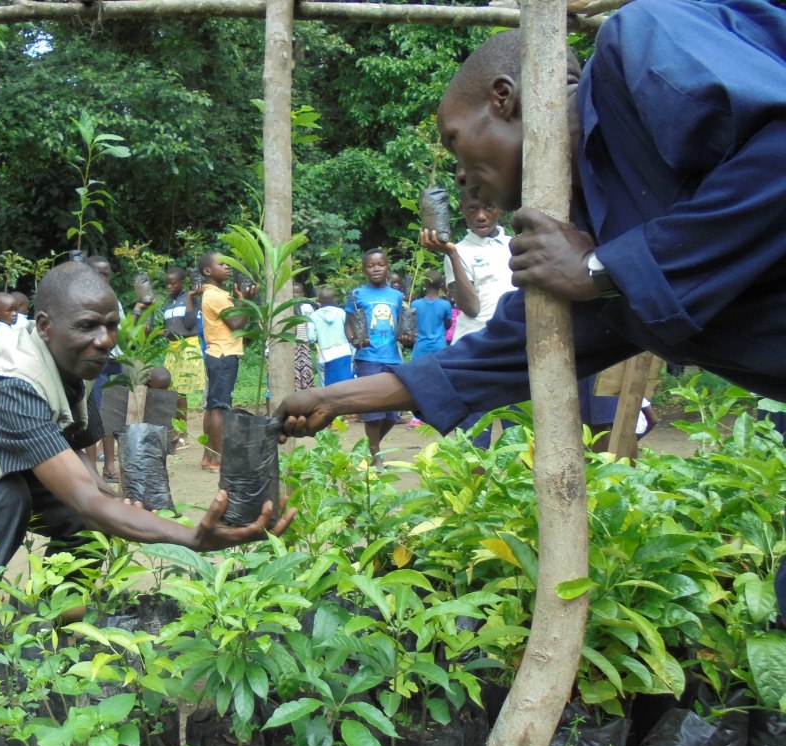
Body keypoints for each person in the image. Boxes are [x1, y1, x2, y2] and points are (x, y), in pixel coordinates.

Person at [276, 0, 786, 620]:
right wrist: (336, 399)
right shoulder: (589, 228)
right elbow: (504, 353)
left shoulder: (643, 42)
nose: (459, 175)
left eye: (454, 141)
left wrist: (602, 269)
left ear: (503, 97)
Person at [0, 262, 290, 578]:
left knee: (90, 521)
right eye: (87, 326)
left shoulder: (72, 367)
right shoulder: (8, 384)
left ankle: (57, 617)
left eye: (111, 325)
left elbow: (81, 463)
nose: (104, 341)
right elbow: (85, 497)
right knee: (8, 497)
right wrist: (191, 537)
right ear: (45, 325)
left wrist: (109, 500)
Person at [421, 190, 513, 447]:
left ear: (500, 208)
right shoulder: (459, 251)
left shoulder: (514, 246)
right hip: (476, 353)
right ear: (461, 210)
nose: (481, 216)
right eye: (472, 209)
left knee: (520, 434)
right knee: (475, 440)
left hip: (514, 349)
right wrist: (452, 255)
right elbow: (470, 308)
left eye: (489, 207)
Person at [344, 249, 404, 462]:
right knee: (373, 411)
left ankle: (373, 447)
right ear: (364, 270)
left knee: (394, 412)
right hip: (368, 358)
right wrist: (353, 339)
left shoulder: (397, 296)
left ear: (387, 267)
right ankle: (376, 456)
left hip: (393, 358)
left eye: (380, 264)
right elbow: (349, 323)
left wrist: (407, 337)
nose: (376, 268)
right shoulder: (357, 294)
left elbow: (401, 324)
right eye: (371, 265)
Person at [199, 251, 248, 473]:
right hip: (224, 355)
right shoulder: (216, 296)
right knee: (220, 407)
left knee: (212, 407)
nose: (227, 267)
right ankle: (218, 461)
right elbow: (237, 325)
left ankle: (208, 456)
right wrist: (245, 301)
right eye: (222, 264)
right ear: (207, 271)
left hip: (215, 354)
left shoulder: (212, 294)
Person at [85, 255, 124, 481]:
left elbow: (122, 332)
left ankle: (109, 466)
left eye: (106, 274)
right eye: (97, 274)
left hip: (115, 363)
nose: (102, 278)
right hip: (94, 365)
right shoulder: (81, 301)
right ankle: (91, 471)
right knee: (92, 415)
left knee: (112, 415)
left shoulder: (113, 301)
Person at [160, 266, 206, 447]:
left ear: (182, 282)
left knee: (180, 393)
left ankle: (183, 434)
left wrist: (189, 297)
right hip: (172, 349)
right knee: (170, 391)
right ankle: (176, 430)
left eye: (173, 283)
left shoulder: (193, 299)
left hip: (187, 347)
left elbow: (188, 323)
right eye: (167, 284)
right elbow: (169, 329)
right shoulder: (168, 302)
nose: (169, 286)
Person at [405, 270, 454, 428]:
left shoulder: (416, 304)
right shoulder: (445, 305)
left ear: (424, 284)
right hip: (439, 348)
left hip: (420, 347)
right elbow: (448, 324)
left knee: (419, 382)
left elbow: (411, 324)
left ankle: (417, 417)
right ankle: (439, 414)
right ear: (441, 285)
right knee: (439, 381)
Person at [307, 285, 354, 389]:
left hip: (325, 354)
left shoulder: (314, 316)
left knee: (328, 387)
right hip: (344, 351)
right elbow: (350, 329)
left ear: (319, 300)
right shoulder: (341, 312)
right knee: (346, 384)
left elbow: (311, 338)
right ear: (334, 299)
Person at [292, 281, 316, 393]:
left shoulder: (307, 307)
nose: (295, 295)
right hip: (292, 345)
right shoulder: (287, 308)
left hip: (304, 344)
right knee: (294, 373)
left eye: (298, 292)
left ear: (302, 294)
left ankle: (306, 394)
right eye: (293, 292)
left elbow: (312, 324)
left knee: (306, 372)